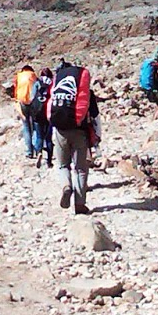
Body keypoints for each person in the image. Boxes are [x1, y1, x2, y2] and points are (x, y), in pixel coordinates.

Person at [47, 57, 97, 214]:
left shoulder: (58, 85)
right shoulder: (86, 92)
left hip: (60, 130)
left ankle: (66, 186)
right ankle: (80, 204)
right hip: (80, 131)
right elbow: (94, 114)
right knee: (81, 169)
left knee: (63, 165)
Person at [31, 67, 54, 168]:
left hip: (38, 114)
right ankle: (49, 161)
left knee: (39, 136)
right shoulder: (52, 83)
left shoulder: (37, 83)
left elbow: (32, 97)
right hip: (48, 113)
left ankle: (39, 152)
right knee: (48, 138)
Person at [14, 63, 37, 159]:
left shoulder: (19, 76)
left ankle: (29, 152)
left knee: (26, 126)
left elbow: (15, 88)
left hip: (22, 101)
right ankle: (37, 149)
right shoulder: (33, 75)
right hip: (33, 101)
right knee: (35, 126)